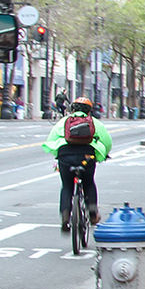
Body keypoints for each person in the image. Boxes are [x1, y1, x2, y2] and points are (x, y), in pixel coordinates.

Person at [41, 96, 114, 231]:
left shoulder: (64, 121)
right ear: (89, 110)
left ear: (72, 109)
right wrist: (105, 154)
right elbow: (107, 141)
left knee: (67, 187)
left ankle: (65, 216)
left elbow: (51, 140)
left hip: (65, 157)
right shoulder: (94, 122)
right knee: (89, 183)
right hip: (87, 156)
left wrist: (59, 155)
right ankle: (92, 213)